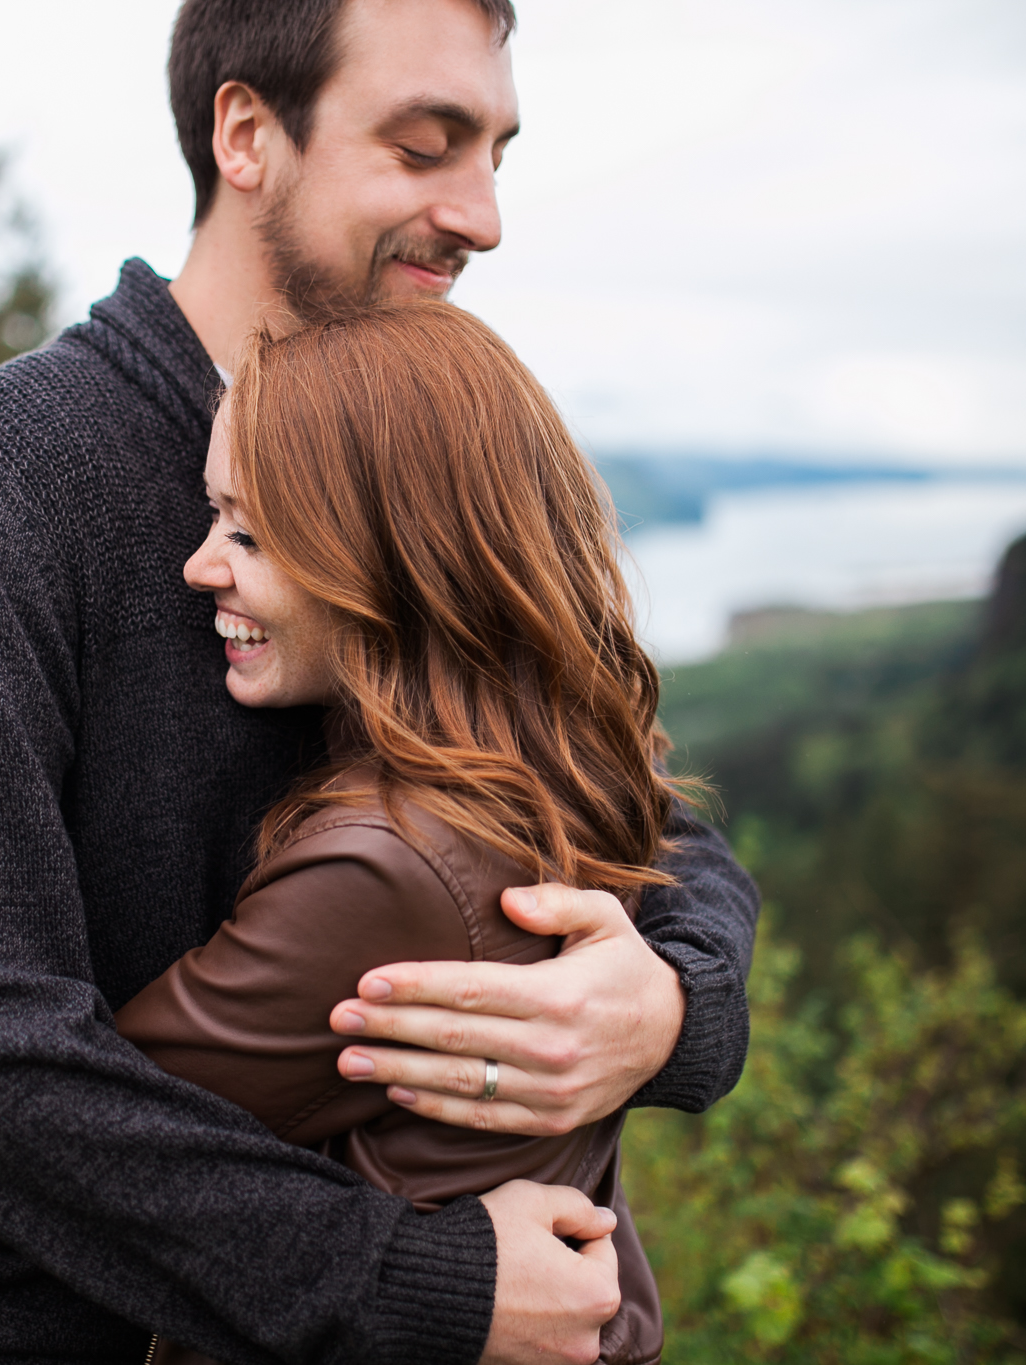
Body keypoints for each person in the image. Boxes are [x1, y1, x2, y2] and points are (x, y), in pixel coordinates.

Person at [0, 0, 761, 1360]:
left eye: (497, 151)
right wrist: (405, 1282)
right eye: (425, 146)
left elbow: (624, 787)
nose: (483, 214)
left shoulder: (413, 440)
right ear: (248, 135)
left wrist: (673, 1003)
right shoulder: (12, 477)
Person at [116, 299, 683, 1365]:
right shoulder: (571, 763)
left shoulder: (383, 867)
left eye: (245, 530)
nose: (199, 565)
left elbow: (82, 1138)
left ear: (387, 555)